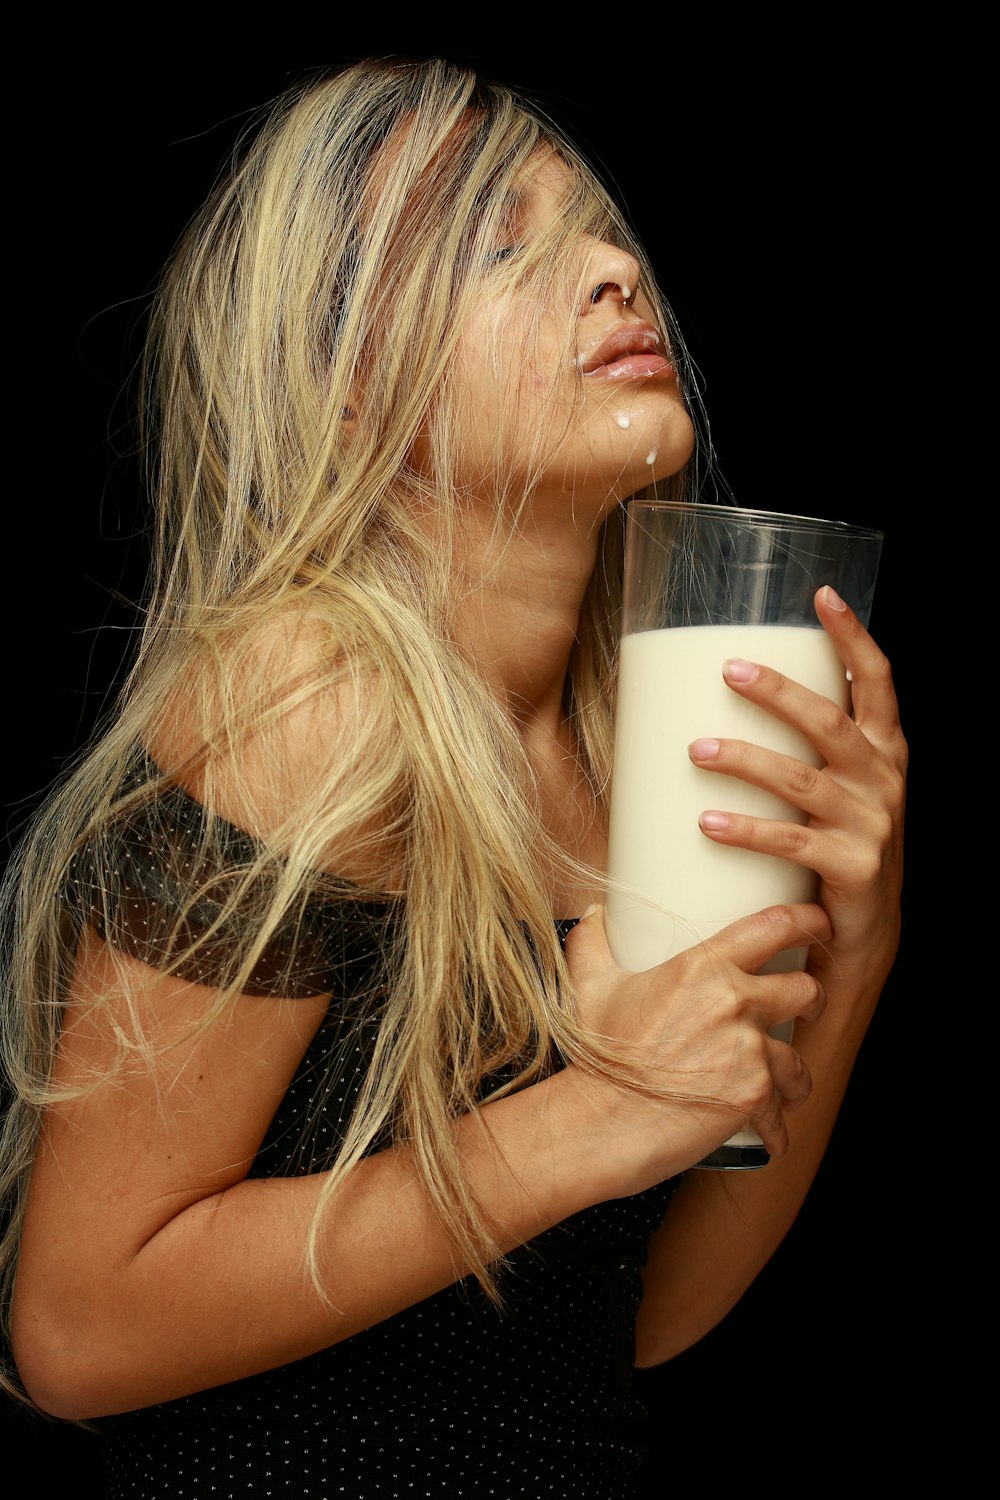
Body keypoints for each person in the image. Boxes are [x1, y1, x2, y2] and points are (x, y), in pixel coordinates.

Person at [0, 56, 906, 1497]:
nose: (616, 270)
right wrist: (585, 1118)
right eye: (505, 246)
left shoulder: (636, 742)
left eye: (603, 230)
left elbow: (630, 1325)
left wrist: (854, 957)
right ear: (345, 381)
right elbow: (78, 1325)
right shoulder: (310, 698)